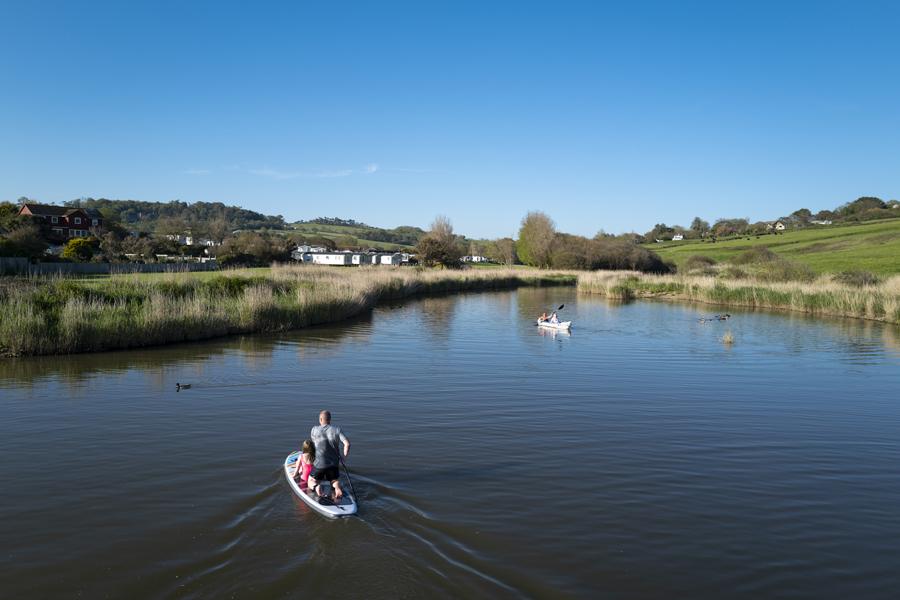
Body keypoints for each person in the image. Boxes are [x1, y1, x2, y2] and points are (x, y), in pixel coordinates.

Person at [308, 410, 350, 500]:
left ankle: (316, 487)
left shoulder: (314, 429)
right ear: (330, 420)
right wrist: (344, 458)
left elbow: (313, 445)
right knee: (333, 480)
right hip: (333, 464)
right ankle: (337, 488)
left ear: (320, 419)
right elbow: (347, 444)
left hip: (319, 464)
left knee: (311, 480)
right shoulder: (337, 430)